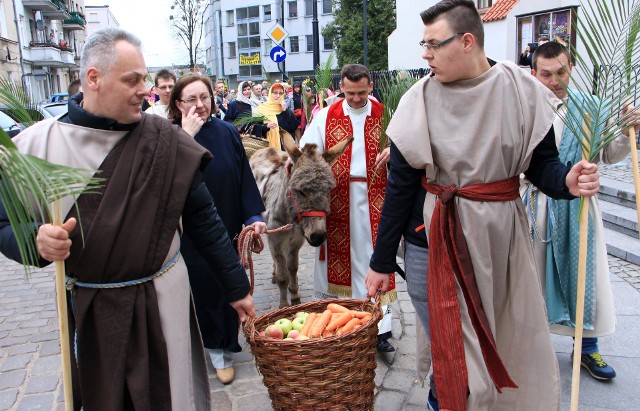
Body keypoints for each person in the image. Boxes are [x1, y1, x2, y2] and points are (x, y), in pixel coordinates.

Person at [0, 28, 254, 410]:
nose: (145, 90)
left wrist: (236, 288)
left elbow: (204, 221)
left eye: (146, 80)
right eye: (132, 80)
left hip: (163, 300)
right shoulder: (36, 147)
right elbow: (4, 226)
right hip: (92, 310)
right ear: (94, 78)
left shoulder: (165, 142)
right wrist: (35, 240)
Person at [364, 1, 601, 410]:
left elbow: (542, 166)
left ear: (467, 41)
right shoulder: (416, 102)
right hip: (431, 243)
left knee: (500, 340)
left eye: (433, 44)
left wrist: (567, 180)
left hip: (500, 240)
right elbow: (400, 189)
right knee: (452, 351)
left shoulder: (520, 90)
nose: (425, 54)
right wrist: (382, 262)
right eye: (424, 44)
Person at [524, 41, 640, 381]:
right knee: (531, 279)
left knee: (585, 275)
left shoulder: (591, 108)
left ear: (571, 68)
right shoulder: (524, 107)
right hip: (533, 204)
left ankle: (587, 348)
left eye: (561, 71)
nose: (554, 80)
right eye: (545, 74)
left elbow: (609, 154)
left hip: (578, 208)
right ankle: (532, 348)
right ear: (534, 73)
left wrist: (626, 128)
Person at [167, 74, 267, 385]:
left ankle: (224, 346)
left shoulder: (227, 132)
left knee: (228, 282)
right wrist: (186, 136)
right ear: (178, 104)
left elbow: (243, 178)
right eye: (191, 100)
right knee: (202, 288)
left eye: (204, 97)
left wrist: (252, 215)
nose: (200, 105)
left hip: (227, 223)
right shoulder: (169, 136)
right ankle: (211, 348)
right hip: (187, 232)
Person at [298, 63, 396, 353]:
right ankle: (341, 325)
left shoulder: (384, 113)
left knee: (376, 257)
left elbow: (406, 146)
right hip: (338, 197)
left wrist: (394, 151)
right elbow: (307, 150)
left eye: (362, 92)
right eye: (350, 93)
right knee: (339, 261)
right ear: (341, 87)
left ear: (370, 87)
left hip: (377, 197)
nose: (356, 98)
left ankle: (381, 329)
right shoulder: (327, 114)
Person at [255, 83, 299, 150]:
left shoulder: (284, 109)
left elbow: (293, 126)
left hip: (284, 148)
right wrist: (266, 126)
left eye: (280, 93)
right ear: (270, 93)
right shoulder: (261, 108)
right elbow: (255, 128)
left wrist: (285, 110)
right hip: (267, 148)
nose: (278, 96)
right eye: (275, 93)